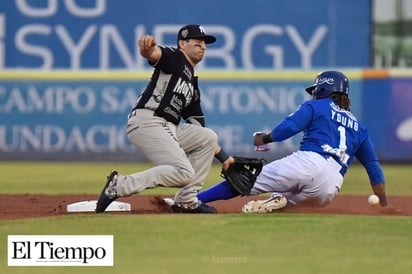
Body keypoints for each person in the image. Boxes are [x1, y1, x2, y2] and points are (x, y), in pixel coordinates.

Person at [197, 70, 397, 214]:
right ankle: (278, 201)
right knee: (285, 204)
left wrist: (266, 138)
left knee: (243, 181)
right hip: (331, 185)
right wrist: (384, 202)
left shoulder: (317, 105)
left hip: (308, 162)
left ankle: (193, 200)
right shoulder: (359, 127)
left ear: (324, 88)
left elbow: (291, 126)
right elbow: (373, 167)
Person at [95, 24, 233, 214]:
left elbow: (198, 130)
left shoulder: (192, 86)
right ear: (182, 44)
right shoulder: (175, 58)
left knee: (208, 137)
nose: (203, 46)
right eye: (198, 42)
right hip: (147, 121)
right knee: (184, 173)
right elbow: (153, 54)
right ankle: (119, 185)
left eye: (204, 43)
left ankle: (186, 200)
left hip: (168, 127)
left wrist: (225, 158)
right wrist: (146, 48)